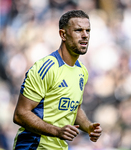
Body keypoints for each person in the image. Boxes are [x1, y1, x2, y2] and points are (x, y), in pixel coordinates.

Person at [13, 10, 102, 150]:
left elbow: (75, 109)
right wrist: (57, 131)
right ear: (63, 34)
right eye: (78, 30)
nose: (85, 35)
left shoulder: (82, 71)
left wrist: (88, 127)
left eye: (88, 30)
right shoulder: (45, 68)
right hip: (33, 147)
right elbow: (20, 114)